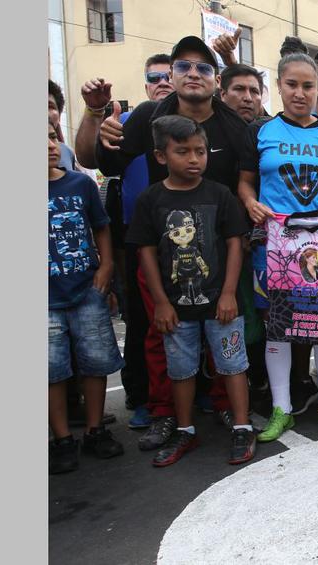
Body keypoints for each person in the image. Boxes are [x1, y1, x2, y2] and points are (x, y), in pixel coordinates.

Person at [94, 36, 248, 451]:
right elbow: (100, 160)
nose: (192, 74)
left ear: (216, 79)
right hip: (160, 256)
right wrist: (96, 116)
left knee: (222, 337)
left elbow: (250, 177)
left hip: (219, 258)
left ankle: (224, 406)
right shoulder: (146, 116)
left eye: (203, 67)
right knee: (161, 336)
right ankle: (163, 413)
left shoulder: (234, 124)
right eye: (183, 67)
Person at [237, 50, 318, 440]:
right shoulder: (260, 132)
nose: (300, 92)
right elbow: (245, 181)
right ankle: (282, 408)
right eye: (292, 84)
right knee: (277, 326)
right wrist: (249, 202)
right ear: (277, 86)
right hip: (275, 243)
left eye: (308, 85)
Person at [127, 115, 253, 466]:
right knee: (180, 370)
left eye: (200, 151)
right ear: (161, 156)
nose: (195, 159)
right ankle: (185, 430)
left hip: (221, 305)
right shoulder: (151, 200)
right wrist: (162, 303)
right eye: (183, 152)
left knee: (233, 364)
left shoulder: (220, 194)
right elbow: (146, 253)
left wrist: (228, 293)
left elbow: (234, 243)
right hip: (176, 309)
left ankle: (242, 425)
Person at [75, 54, 176, 430]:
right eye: (155, 76)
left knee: (193, 318)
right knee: (143, 322)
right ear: (146, 82)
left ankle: (194, 391)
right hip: (137, 239)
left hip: (189, 237)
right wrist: (97, 113)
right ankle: (145, 396)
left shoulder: (196, 122)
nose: (164, 81)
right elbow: (89, 157)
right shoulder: (128, 121)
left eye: (170, 74)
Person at [48, 122, 125, 474]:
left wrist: (105, 266)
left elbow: (100, 226)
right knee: (51, 370)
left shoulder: (79, 184)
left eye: (51, 136)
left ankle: (95, 429)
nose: (50, 145)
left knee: (95, 363)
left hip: (86, 290)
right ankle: (61, 438)